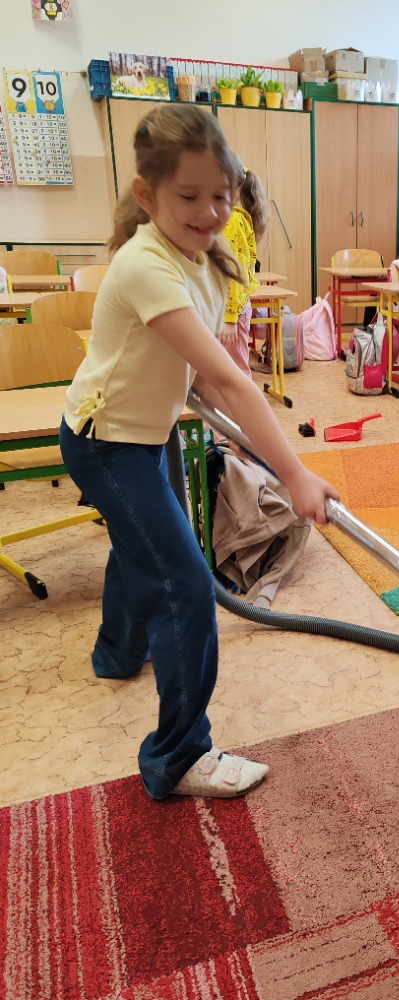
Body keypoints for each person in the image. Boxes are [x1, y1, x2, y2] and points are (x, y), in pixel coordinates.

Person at [59, 104, 339, 801]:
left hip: (147, 430)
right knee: (184, 583)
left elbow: (211, 367)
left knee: (145, 548)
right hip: (105, 441)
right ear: (147, 193)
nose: (210, 212)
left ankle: (118, 653)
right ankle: (178, 758)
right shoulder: (143, 265)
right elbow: (227, 381)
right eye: (189, 196)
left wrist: (235, 411)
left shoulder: (207, 259)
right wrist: (294, 474)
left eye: (221, 194)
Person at [219, 161, 269, 378]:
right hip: (226, 311)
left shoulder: (232, 221)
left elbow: (235, 273)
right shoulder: (224, 218)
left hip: (232, 313)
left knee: (237, 374)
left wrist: (230, 318)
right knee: (226, 373)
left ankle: (247, 403)